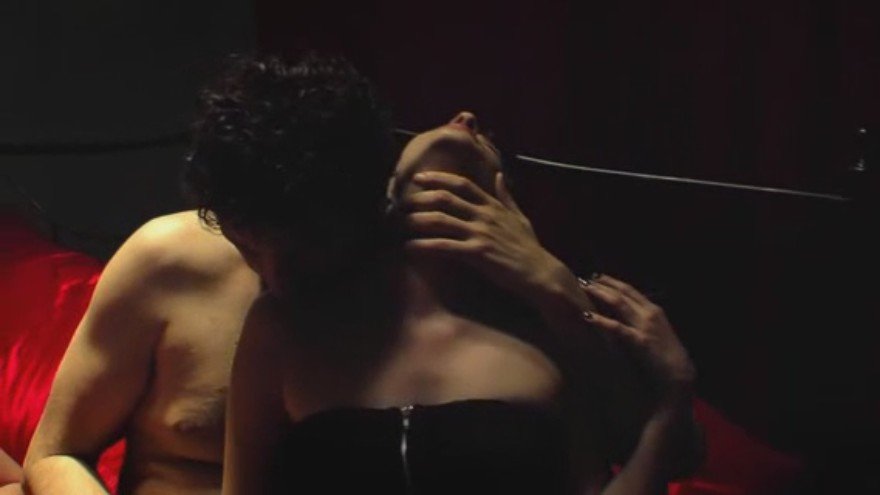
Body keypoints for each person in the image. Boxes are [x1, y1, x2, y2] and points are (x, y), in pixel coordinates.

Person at [23, 53, 692, 495]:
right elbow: (53, 453)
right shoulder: (166, 261)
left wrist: (554, 283)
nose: (277, 276)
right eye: (248, 244)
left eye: (305, 247)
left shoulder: (455, 294)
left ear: (372, 203)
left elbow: (650, 447)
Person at [217, 61, 702, 493]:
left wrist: (556, 285)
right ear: (381, 193)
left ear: (510, 209)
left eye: (488, 141)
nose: (465, 121)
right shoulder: (288, 323)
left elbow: (671, 453)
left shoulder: (552, 326)